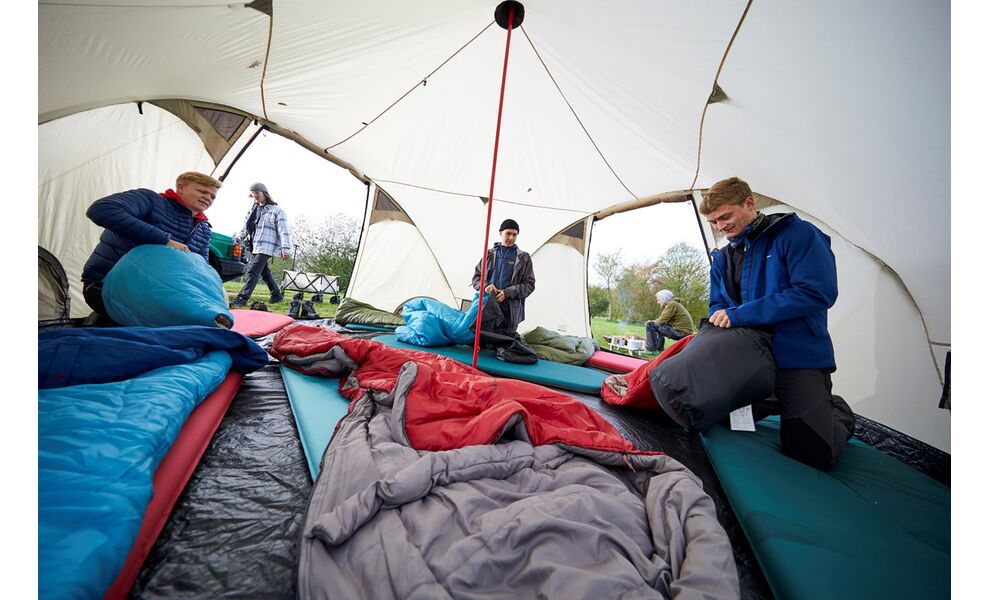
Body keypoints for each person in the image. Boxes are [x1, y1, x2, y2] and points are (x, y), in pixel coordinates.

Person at [701, 176, 854, 471]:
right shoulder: (722, 258)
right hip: (750, 362)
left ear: (749, 203)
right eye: (714, 222)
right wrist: (721, 316)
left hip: (797, 359)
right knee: (715, 416)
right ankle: (772, 400)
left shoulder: (798, 235)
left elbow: (816, 292)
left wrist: (741, 314)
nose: (721, 227)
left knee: (813, 455)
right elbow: (717, 304)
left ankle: (837, 410)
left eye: (725, 217)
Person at [80, 171, 220, 323]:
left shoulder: (204, 228)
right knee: (174, 325)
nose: (208, 198)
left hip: (159, 291)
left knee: (203, 322)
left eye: (212, 196)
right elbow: (102, 209)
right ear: (180, 188)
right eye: (202, 191)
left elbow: (201, 270)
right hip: (107, 284)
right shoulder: (151, 201)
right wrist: (164, 240)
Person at [230, 182, 293, 307]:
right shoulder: (253, 210)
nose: (255, 197)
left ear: (264, 193)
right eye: (253, 195)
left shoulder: (276, 211)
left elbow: (284, 231)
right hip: (254, 246)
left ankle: (241, 299)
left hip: (266, 246)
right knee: (264, 272)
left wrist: (285, 248)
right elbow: (245, 227)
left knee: (253, 271)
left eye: (257, 194)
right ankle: (276, 295)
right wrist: (238, 237)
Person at [471, 219, 536, 335]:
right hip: (487, 309)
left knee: (504, 347)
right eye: (508, 234)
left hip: (510, 313)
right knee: (483, 343)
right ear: (500, 233)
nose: (511, 238)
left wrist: (508, 292)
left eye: (514, 235)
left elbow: (529, 285)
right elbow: (476, 278)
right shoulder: (489, 255)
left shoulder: (524, 258)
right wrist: (485, 286)